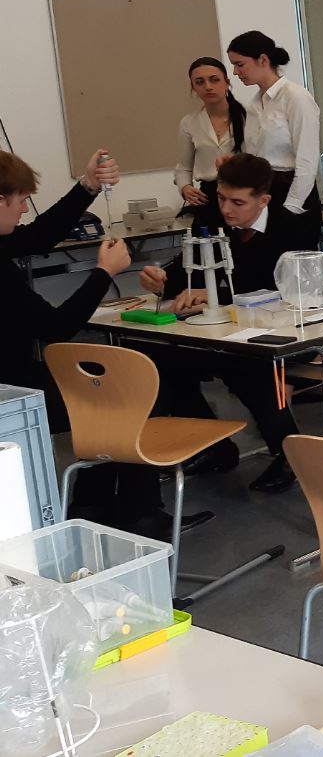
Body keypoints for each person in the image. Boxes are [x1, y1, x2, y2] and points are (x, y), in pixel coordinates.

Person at [0, 150, 204, 537]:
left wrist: (87, 187)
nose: (25, 210)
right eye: (21, 200)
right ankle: (141, 513)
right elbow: (57, 327)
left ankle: (91, 504)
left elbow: (38, 235)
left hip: (16, 381)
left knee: (108, 391)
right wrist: (103, 273)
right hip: (14, 396)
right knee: (134, 394)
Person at [138, 155, 315, 493]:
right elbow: (189, 269)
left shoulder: (292, 229)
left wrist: (215, 295)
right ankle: (213, 448)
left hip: (286, 331)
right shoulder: (211, 218)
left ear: (263, 200)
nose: (226, 209)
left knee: (246, 367)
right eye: (221, 198)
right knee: (159, 360)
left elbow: (284, 291)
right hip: (227, 332)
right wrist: (161, 281)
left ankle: (289, 454)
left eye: (237, 202)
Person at [225, 30, 322, 244]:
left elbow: (307, 161)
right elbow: (254, 156)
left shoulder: (295, 97)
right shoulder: (254, 104)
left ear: (263, 60)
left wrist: (291, 207)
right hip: (262, 194)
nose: (235, 72)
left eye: (240, 64)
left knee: (292, 259)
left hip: (292, 193)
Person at [175, 56, 245, 230]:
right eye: (200, 82)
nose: (208, 86)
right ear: (193, 88)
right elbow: (184, 166)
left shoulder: (248, 116)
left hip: (243, 194)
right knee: (207, 245)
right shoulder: (189, 122)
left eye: (214, 80)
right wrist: (185, 187)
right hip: (208, 197)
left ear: (227, 82)